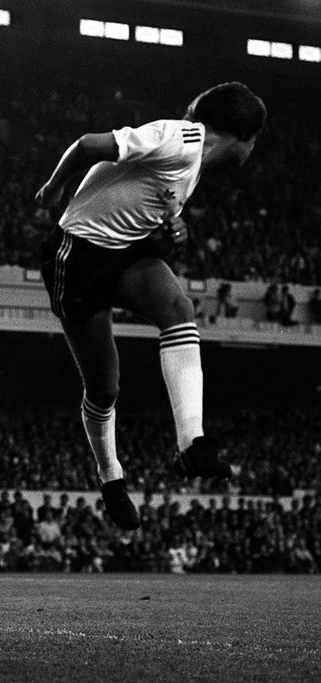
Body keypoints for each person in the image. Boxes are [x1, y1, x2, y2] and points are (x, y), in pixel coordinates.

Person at [35, 82, 266, 530]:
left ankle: (192, 445)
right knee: (104, 389)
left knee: (179, 310)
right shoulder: (179, 139)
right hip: (78, 257)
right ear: (244, 134)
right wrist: (52, 188)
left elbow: (145, 217)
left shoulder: (194, 164)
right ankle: (111, 477)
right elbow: (87, 146)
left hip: (125, 254)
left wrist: (172, 233)